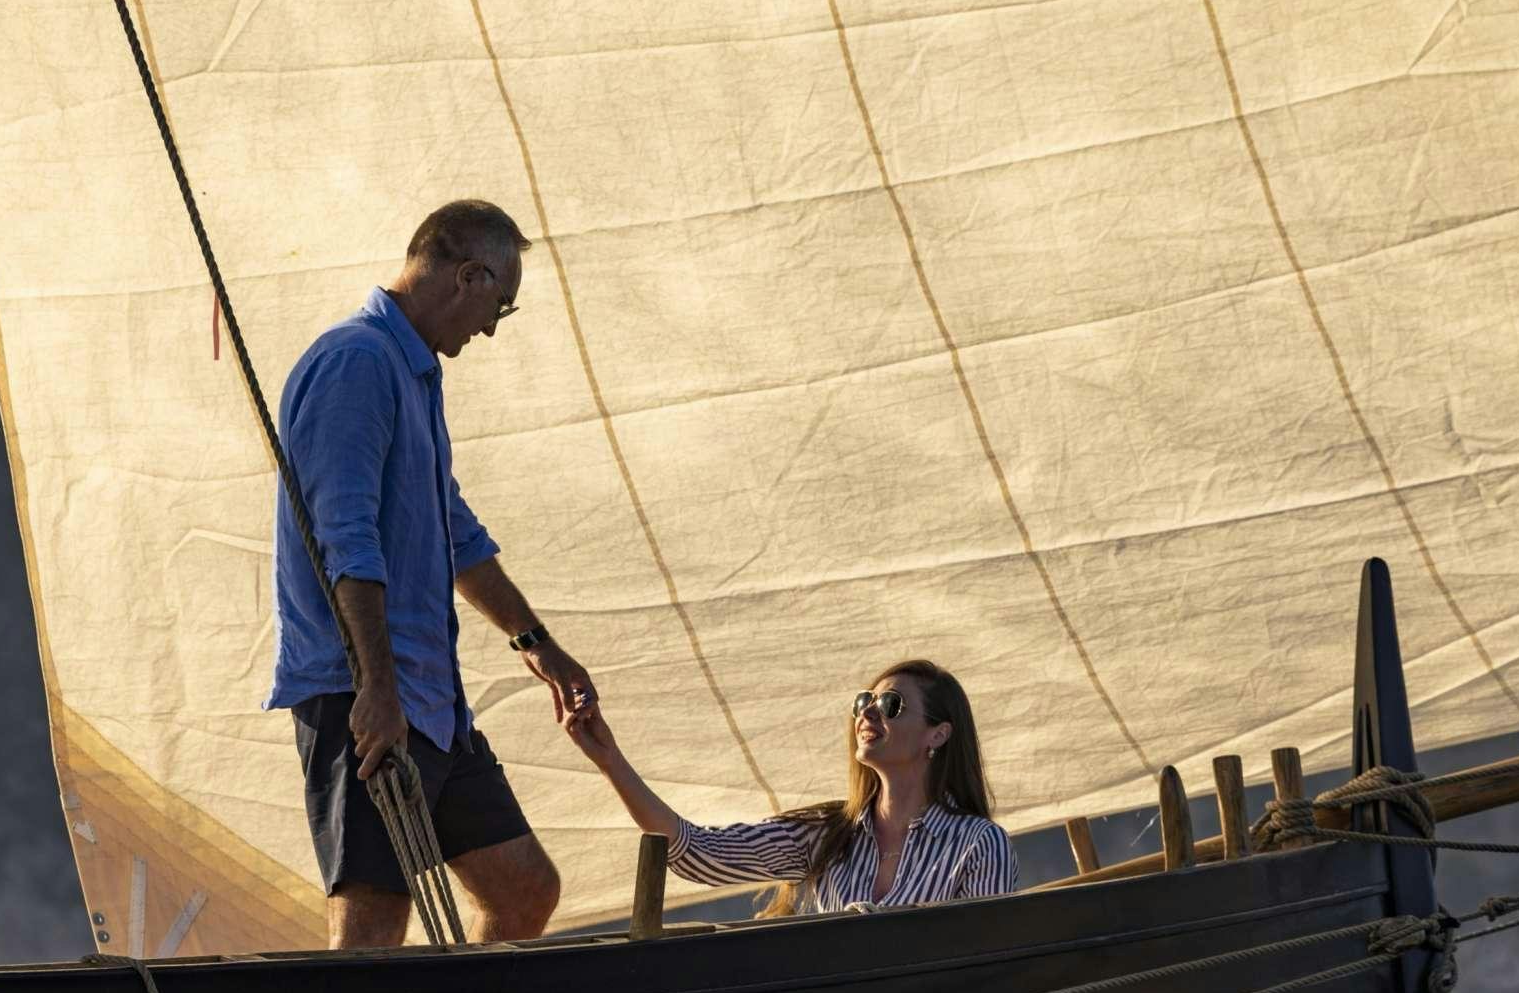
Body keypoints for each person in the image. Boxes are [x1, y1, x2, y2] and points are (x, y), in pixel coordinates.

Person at [268, 199, 594, 947]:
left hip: (429, 700)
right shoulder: (356, 362)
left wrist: (536, 641)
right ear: (468, 274)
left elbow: (454, 531)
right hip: (365, 694)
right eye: (498, 308)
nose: (487, 330)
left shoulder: (412, 373)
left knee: (524, 890)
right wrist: (377, 691)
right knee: (374, 925)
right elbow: (344, 540)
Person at [561, 659, 1016, 913]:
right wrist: (609, 760)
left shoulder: (979, 844)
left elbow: (987, 967)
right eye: (865, 701)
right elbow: (697, 853)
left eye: (891, 704)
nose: (868, 713)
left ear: (938, 734)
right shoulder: (825, 834)